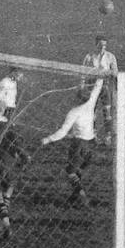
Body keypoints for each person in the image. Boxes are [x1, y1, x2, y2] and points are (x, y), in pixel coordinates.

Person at [41, 80, 105, 208]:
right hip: (91, 144)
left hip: (79, 144)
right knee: (79, 170)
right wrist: (101, 76)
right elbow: (97, 89)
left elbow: (63, 132)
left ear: (77, 98)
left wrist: (48, 139)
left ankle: (83, 198)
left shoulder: (74, 112)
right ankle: (74, 197)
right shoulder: (90, 103)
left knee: (70, 172)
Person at [0, 123, 31, 237]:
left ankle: (6, 224)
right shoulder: (13, 134)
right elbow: (23, 154)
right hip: (9, 167)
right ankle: (2, 223)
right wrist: (24, 161)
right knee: (7, 195)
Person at [82, 36, 118, 145]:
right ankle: (92, 136)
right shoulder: (89, 57)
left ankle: (108, 136)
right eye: (100, 45)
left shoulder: (110, 56)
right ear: (96, 44)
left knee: (107, 112)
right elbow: (83, 72)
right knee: (91, 112)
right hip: (92, 86)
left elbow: (115, 71)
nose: (103, 47)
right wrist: (82, 85)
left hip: (105, 86)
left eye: (105, 45)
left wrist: (108, 73)